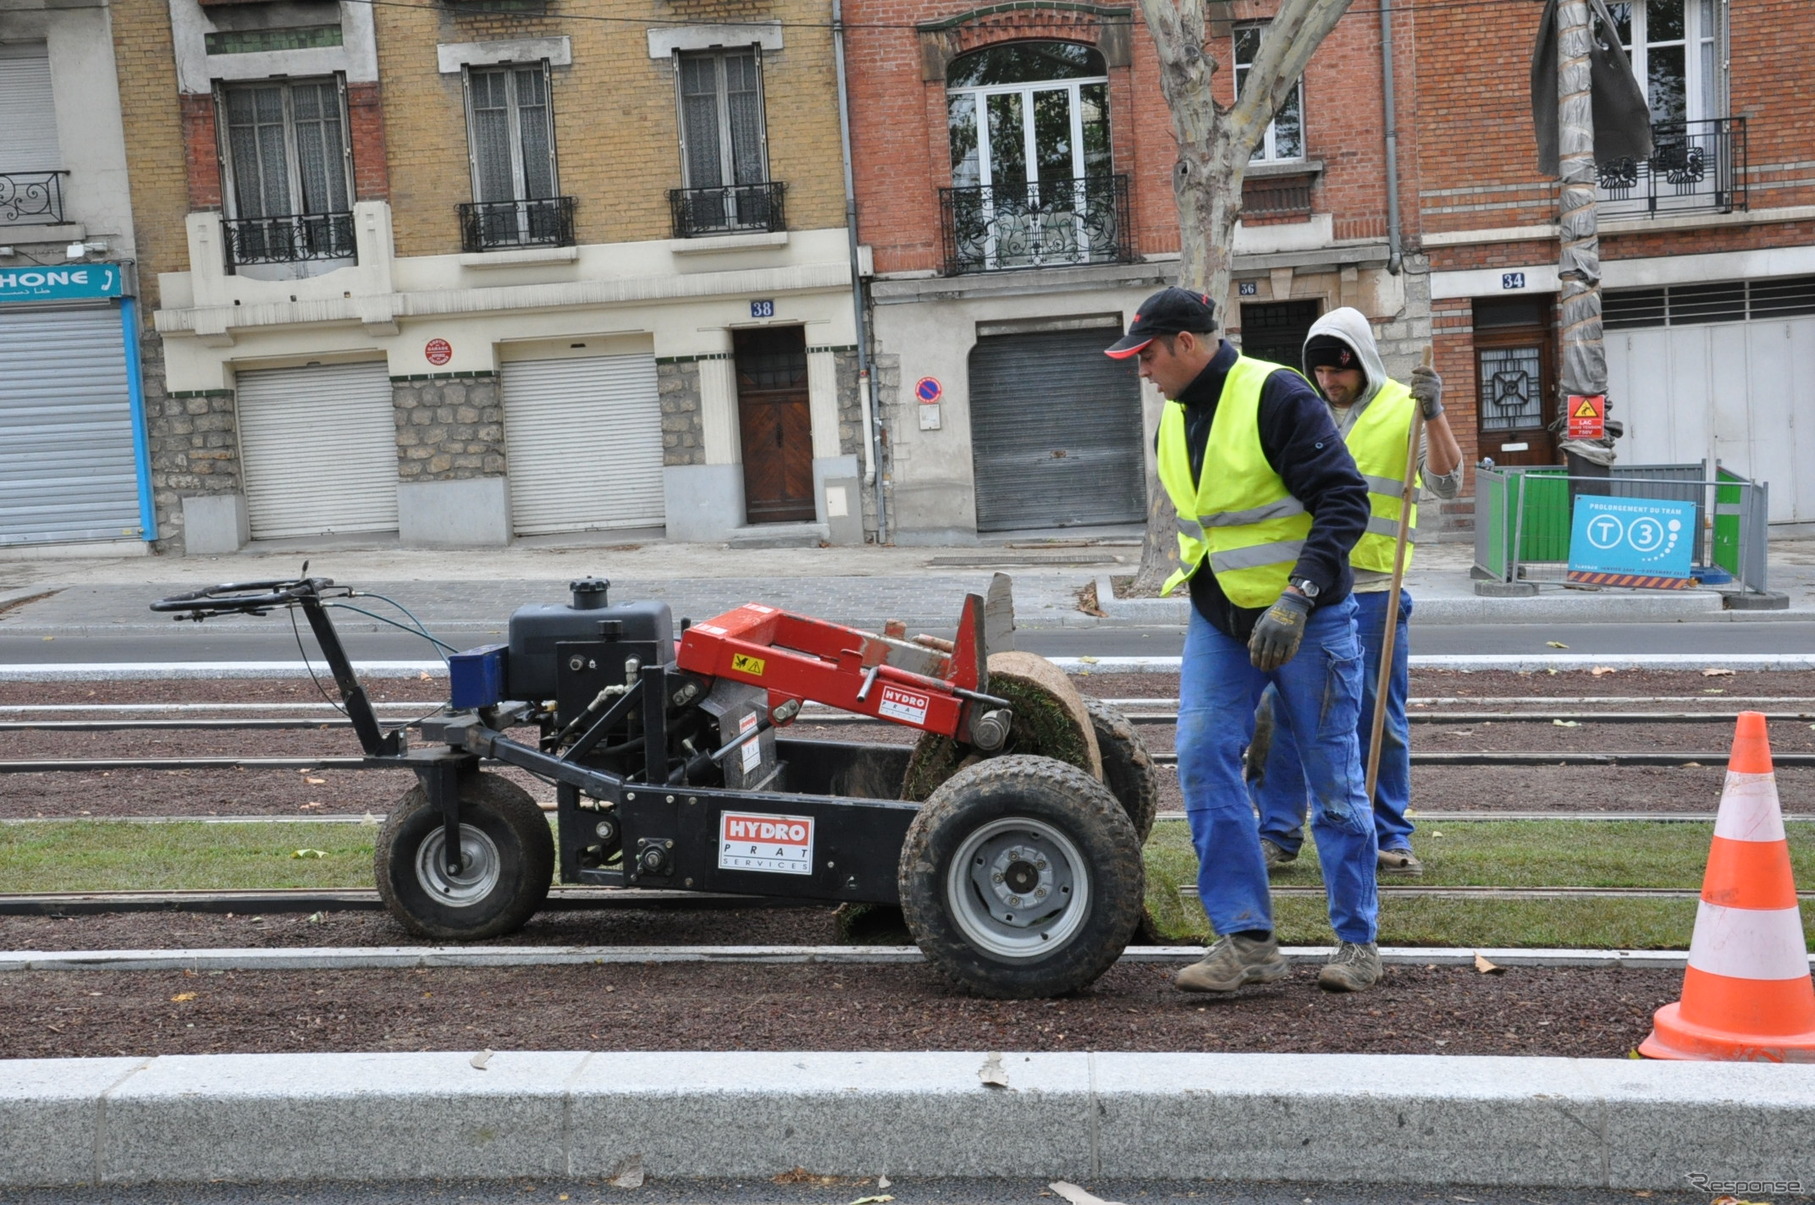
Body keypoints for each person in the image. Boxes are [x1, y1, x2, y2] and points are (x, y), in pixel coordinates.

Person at [1104, 287, 1383, 994]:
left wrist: (1298, 596)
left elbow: (1344, 499)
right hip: (1221, 619)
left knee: (1333, 779)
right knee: (1201, 756)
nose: (1139, 369)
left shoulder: (1275, 394)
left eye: (1146, 354)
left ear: (1185, 345)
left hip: (1306, 617)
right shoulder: (1173, 416)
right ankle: (1247, 938)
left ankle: (1357, 941)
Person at [1250, 308, 1464, 877]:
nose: (1329, 383)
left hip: (1375, 590)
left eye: (1338, 372)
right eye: (1319, 372)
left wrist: (1435, 414)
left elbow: (1447, 482)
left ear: (1362, 361)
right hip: (1305, 587)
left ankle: (1390, 836)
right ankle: (1277, 833)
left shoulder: (1404, 408)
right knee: (1282, 712)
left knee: (1378, 718)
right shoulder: (1303, 410)